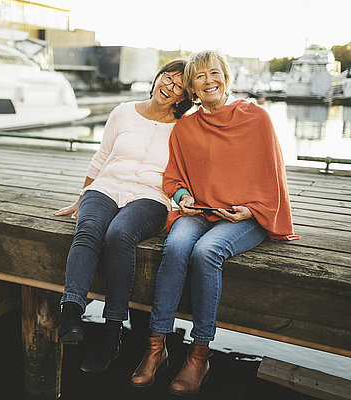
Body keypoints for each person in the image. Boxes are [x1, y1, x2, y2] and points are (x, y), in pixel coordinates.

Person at [129, 50, 299, 395]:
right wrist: (182, 199)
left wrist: (251, 211)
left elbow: (273, 176)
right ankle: (156, 347)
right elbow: (173, 178)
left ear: (226, 77)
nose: (209, 81)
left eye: (214, 73)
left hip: (246, 215)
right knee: (175, 246)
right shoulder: (187, 127)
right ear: (192, 87)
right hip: (201, 211)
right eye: (200, 77)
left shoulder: (257, 118)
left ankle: (199, 355)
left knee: (206, 252)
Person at [54, 60, 193, 373]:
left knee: (119, 234)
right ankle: (71, 312)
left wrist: (187, 198)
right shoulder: (123, 112)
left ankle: (112, 333)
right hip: (106, 187)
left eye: (177, 86)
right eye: (166, 77)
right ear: (157, 77)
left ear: (182, 97)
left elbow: (188, 172)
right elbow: (102, 156)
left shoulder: (184, 127)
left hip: (151, 197)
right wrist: (82, 196)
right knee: (88, 229)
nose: (167, 86)